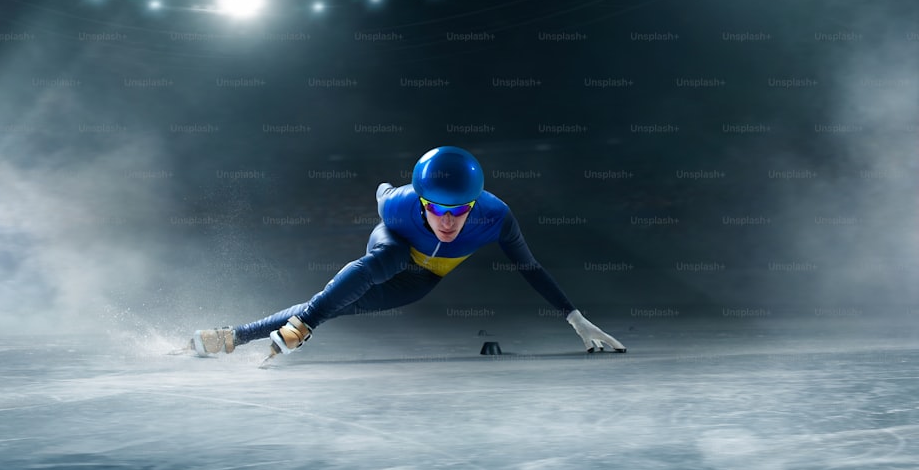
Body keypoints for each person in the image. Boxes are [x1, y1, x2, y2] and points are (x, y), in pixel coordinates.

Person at [190, 146, 626, 357]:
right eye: (436, 209)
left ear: (475, 204)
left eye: (460, 211)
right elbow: (381, 189)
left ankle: (232, 337)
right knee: (386, 261)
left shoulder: (497, 217)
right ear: (420, 200)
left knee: (338, 305)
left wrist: (576, 318)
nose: (448, 221)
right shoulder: (397, 204)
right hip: (393, 244)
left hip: (423, 280)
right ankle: (300, 327)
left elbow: (529, 267)